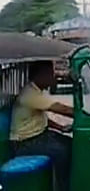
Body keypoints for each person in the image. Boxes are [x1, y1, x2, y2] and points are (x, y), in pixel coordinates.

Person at [10, 61, 74, 191]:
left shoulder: (37, 91)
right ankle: (62, 188)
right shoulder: (30, 94)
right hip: (25, 143)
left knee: (73, 144)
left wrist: (61, 128)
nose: (53, 77)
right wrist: (82, 114)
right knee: (63, 152)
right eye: (50, 73)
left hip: (39, 136)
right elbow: (59, 108)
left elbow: (41, 119)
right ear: (40, 75)